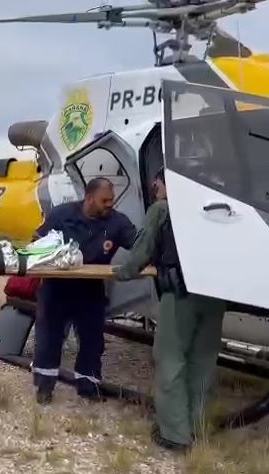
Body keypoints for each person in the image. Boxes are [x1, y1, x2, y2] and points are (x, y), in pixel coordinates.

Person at [113, 167, 225, 452]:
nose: (155, 189)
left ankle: (174, 434)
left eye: (158, 183)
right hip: (215, 295)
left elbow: (141, 252)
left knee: (171, 359)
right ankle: (196, 427)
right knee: (203, 362)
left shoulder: (163, 210)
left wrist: (122, 272)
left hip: (180, 295)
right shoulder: (217, 207)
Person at [32, 177, 137, 405]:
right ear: (89, 198)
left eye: (112, 199)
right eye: (105, 200)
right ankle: (44, 386)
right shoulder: (61, 215)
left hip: (91, 291)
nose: (110, 204)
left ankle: (88, 386)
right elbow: (37, 244)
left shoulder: (118, 222)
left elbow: (139, 246)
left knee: (92, 340)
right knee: (49, 337)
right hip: (57, 288)